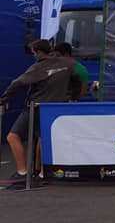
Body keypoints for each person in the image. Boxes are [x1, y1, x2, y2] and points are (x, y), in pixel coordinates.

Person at [1, 40, 75, 180]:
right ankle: (42, 173)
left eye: (33, 52)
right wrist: (71, 95)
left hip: (36, 107)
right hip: (55, 108)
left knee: (12, 136)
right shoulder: (68, 64)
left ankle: (22, 172)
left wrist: (3, 99)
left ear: (39, 52)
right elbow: (78, 79)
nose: (33, 55)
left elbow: (17, 83)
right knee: (44, 138)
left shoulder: (38, 67)